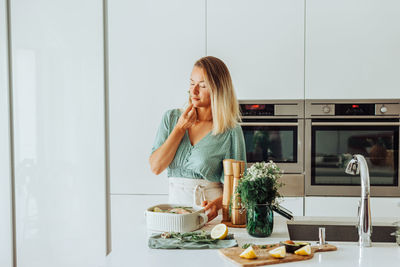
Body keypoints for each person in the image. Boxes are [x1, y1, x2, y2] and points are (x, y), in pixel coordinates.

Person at [149, 56, 246, 222]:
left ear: (218, 90)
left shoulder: (230, 131)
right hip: (174, 214)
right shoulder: (171, 118)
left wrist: (216, 205)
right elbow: (156, 167)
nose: (194, 91)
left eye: (202, 85)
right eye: (192, 83)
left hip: (210, 215)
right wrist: (180, 128)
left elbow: (238, 188)